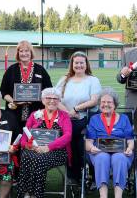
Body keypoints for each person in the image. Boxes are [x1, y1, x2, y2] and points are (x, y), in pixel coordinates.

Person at [56, 51, 102, 183]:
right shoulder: (64, 79)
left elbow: (94, 101)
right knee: (69, 147)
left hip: (86, 120)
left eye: (82, 62)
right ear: (72, 64)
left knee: (83, 147)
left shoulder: (93, 80)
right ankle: (73, 176)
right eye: (76, 63)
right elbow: (55, 99)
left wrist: (76, 109)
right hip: (67, 119)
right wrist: (68, 112)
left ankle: (92, 177)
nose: (79, 65)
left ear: (86, 64)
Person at [17, 87, 72, 198]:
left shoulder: (64, 116)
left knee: (39, 159)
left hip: (57, 152)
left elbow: (68, 136)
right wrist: (26, 145)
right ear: (43, 100)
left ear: (59, 101)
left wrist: (48, 147)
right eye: (48, 98)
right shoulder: (34, 115)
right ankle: (26, 193)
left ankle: (35, 194)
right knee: (25, 155)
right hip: (34, 149)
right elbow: (25, 134)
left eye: (55, 98)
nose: (52, 101)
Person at [85, 87, 134, 198]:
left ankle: (118, 196)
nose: (105, 104)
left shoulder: (124, 118)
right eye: (103, 102)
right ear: (99, 103)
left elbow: (130, 140)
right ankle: (103, 196)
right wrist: (91, 148)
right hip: (99, 151)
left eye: (109, 102)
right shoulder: (94, 119)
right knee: (102, 158)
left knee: (119, 159)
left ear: (115, 104)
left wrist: (130, 148)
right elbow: (88, 142)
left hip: (121, 151)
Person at [0, 40, 52, 128]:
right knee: (15, 139)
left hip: (36, 114)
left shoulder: (40, 70)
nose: (24, 54)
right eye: (21, 51)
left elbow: (49, 90)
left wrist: (38, 97)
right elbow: (2, 91)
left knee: (32, 140)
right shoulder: (11, 70)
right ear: (18, 53)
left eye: (27, 51)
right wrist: (14, 101)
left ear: (31, 52)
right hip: (14, 114)